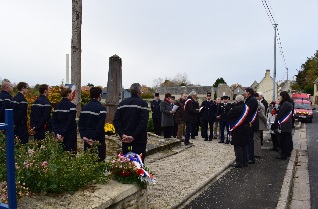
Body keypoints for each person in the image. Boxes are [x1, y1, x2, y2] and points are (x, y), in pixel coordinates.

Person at [113, 83, 149, 163]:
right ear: (139, 92)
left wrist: (122, 134)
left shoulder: (122, 103)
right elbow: (143, 122)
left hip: (125, 139)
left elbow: (116, 120)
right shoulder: (143, 104)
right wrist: (133, 136)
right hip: (139, 139)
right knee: (138, 163)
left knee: (126, 163)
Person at [78, 87, 106, 162]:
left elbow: (81, 123)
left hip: (86, 138)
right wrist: (93, 138)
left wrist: (83, 135)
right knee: (99, 159)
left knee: (88, 160)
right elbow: (100, 125)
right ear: (100, 95)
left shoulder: (84, 107)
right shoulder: (101, 108)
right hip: (97, 139)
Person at [52, 86, 77, 152]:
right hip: (69, 134)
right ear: (68, 94)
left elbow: (54, 121)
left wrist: (57, 133)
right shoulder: (72, 106)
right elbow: (70, 121)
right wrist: (63, 134)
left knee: (60, 154)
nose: (72, 95)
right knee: (70, 154)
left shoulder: (57, 106)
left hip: (59, 134)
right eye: (71, 93)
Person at [228, 95, 250, 168]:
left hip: (237, 128)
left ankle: (239, 162)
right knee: (244, 145)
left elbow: (229, 115)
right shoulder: (247, 108)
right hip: (246, 128)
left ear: (237, 101)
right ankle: (245, 162)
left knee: (237, 146)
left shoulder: (235, 108)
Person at [272, 91, 294, 160]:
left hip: (284, 124)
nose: (279, 97)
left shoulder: (286, 104)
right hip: (288, 124)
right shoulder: (289, 103)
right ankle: (287, 152)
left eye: (280, 96)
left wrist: (275, 123)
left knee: (283, 140)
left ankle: (283, 154)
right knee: (288, 139)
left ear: (283, 96)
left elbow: (280, 114)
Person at [244, 87, 259, 164]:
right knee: (248, 140)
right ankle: (248, 156)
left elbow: (248, 111)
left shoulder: (252, 100)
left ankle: (251, 157)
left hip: (251, 123)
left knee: (250, 140)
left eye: (245, 92)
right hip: (249, 123)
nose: (244, 93)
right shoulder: (250, 99)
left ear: (249, 92)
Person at [254, 93, 267, 157]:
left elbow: (262, 115)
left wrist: (266, 122)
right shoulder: (260, 103)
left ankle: (257, 153)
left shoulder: (258, 104)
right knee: (257, 138)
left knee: (257, 139)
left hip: (259, 124)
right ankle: (257, 152)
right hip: (260, 124)